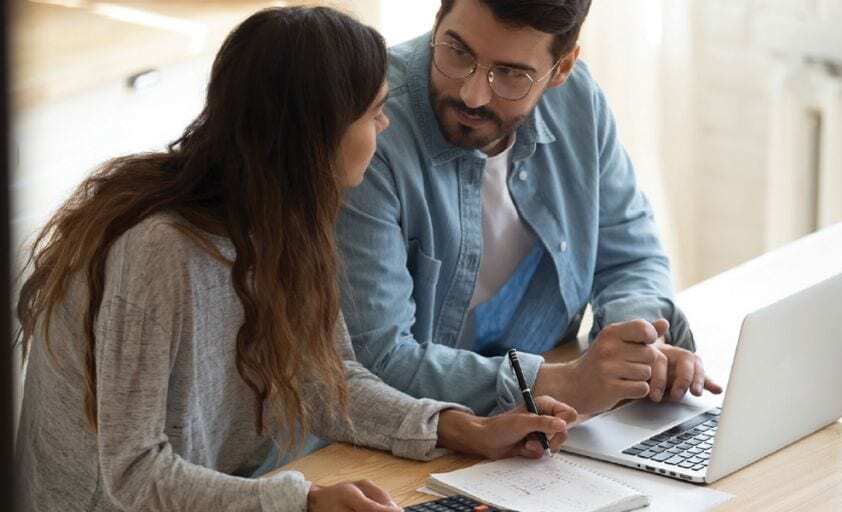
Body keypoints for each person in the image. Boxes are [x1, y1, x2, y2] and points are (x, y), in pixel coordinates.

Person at [15, 7, 575, 512]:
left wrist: (459, 428)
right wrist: (301, 503)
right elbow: (133, 474)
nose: (386, 125)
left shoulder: (290, 219)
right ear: (317, 134)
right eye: (375, 112)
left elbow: (325, 380)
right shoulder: (159, 249)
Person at [340, 0, 722, 418]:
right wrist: (567, 383)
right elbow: (376, 358)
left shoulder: (578, 102)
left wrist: (637, 346)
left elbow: (630, 255)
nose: (472, 93)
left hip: (541, 424)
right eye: (458, 51)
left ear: (561, 69)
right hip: (412, 432)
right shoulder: (367, 127)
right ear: (437, 20)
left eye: (510, 74)